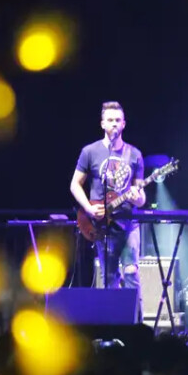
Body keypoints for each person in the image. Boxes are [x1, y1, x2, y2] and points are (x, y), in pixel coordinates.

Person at [70, 101, 146, 300]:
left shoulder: (135, 154)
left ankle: (135, 322)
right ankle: (114, 326)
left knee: (131, 272)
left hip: (129, 224)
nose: (114, 124)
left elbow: (141, 198)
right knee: (109, 278)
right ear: (102, 124)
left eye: (118, 120)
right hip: (103, 225)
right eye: (110, 120)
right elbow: (75, 184)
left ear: (124, 124)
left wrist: (138, 199)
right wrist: (88, 208)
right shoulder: (90, 152)